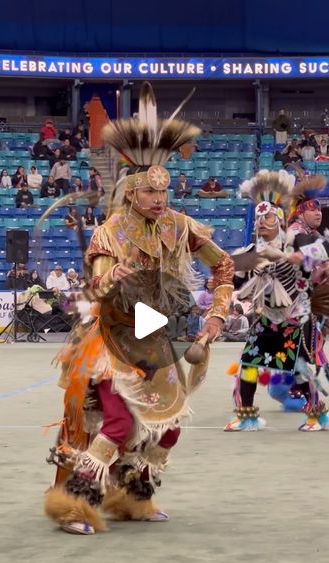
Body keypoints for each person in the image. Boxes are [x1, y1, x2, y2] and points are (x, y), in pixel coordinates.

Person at [44, 82, 234, 536]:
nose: (159, 200)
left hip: (157, 336)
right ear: (131, 191)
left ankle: (132, 497)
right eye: (150, 194)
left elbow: (224, 267)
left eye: (163, 194)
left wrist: (216, 316)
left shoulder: (181, 225)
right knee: (115, 421)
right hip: (114, 336)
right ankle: (75, 504)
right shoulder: (111, 231)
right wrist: (113, 277)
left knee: (167, 427)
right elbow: (98, 289)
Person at [225, 171, 329, 432]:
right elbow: (236, 285)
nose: (262, 222)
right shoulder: (249, 253)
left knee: (300, 369)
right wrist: (238, 275)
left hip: (296, 315)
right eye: (259, 218)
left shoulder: (295, 240)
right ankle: (246, 416)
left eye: (268, 216)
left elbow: (323, 249)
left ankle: (317, 415)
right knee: (248, 365)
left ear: (280, 218)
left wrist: (293, 258)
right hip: (266, 318)